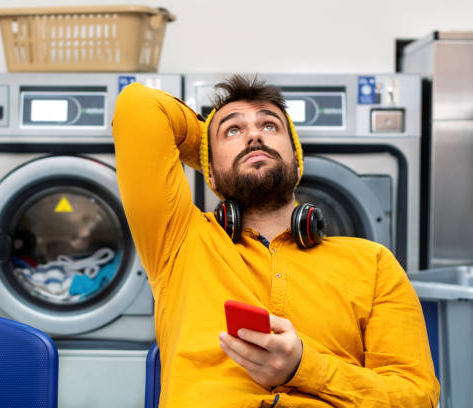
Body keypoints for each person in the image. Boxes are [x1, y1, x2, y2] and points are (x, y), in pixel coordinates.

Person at [112, 74, 439, 407]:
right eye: (233, 130)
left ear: (298, 163)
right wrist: (210, 148)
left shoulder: (373, 264)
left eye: (269, 127)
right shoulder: (179, 240)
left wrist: (304, 367)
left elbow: (417, 397)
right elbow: (137, 106)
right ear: (208, 172)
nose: (254, 134)